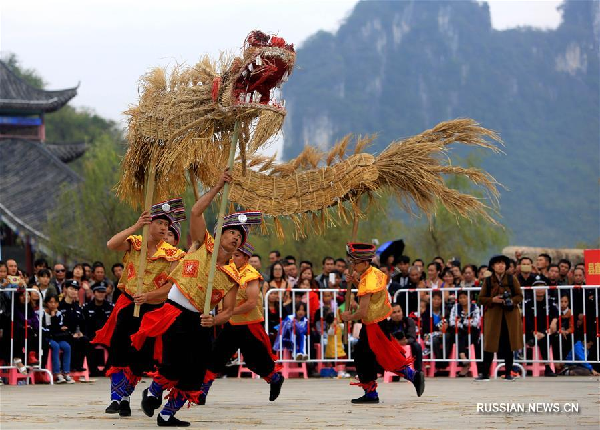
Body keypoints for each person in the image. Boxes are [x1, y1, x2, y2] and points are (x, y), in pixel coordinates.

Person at [130, 172, 258, 427]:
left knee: (196, 372)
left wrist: (215, 320)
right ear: (221, 232)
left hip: (200, 321)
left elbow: (228, 310)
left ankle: (168, 414)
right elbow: (197, 212)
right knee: (173, 364)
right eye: (232, 232)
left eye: (240, 237)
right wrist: (219, 185)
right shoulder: (203, 244)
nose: (235, 238)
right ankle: (153, 392)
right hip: (176, 311)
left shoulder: (234, 275)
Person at [92, 199, 186, 418]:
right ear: (148, 223)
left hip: (152, 310)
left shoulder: (174, 254)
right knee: (118, 348)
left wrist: (149, 296)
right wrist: (135, 226)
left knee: (140, 357)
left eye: (166, 224)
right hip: (129, 303)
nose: (164, 228)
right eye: (159, 222)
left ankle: (125, 396)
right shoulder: (135, 242)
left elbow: (171, 287)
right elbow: (111, 244)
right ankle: (116, 399)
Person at [200, 242, 284, 405]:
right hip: (231, 324)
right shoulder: (228, 270)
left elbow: (251, 303)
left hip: (249, 325)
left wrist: (229, 311)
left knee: (256, 362)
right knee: (216, 356)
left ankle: (275, 379)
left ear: (246, 258)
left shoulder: (251, 275)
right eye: (232, 255)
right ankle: (202, 391)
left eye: (237, 255)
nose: (233, 258)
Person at [341, 243, 424, 403]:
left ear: (365, 263)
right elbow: (371, 294)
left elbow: (363, 311)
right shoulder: (374, 272)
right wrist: (356, 282)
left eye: (355, 262)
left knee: (380, 356)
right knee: (369, 355)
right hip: (377, 323)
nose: (353, 265)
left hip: (374, 326)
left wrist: (348, 317)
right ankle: (374, 391)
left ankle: (410, 376)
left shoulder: (367, 279)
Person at [475, 255, 523, 381]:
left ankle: (508, 373)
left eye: (503, 263)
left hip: (510, 316)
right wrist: (493, 300)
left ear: (506, 266)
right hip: (493, 316)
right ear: (492, 266)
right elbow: (480, 298)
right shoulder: (488, 280)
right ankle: (485, 373)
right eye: (497, 263)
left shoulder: (512, 279)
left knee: (509, 344)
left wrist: (511, 301)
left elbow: (519, 296)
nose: (501, 266)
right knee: (489, 344)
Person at [82, 281, 114, 375]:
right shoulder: (87, 307)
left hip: (106, 336)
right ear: (94, 293)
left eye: (103, 292)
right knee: (87, 344)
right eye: (98, 292)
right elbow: (85, 324)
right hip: (92, 335)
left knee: (115, 344)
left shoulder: (110, 307)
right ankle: (93, 371)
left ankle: (107, 370)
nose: (101, 294)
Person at [43, 295, 74, 383]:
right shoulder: (41, 313)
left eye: (55, 302)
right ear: (46, 303)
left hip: (57, 337)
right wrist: (53, 319)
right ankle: (57, 373)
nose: (53, 304)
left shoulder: (59, 314)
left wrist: (54, 319)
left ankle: (66, 372)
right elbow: (48, 328)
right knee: (55, 347)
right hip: (47, 338)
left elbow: (58, 327)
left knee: (67, 347)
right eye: (50, 302)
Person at [59, 280, 89, 373]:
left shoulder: (77, 307)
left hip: (74, 333)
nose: (74, 291)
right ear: (65, 289)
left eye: (76, 290)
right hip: (62, 334)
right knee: (72, 340)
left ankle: (78, 365)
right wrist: (70, 333)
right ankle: (70, 366)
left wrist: (80, 332)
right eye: (71, 289)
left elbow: (81, 323)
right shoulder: (60, 305)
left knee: (84, 339)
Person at [449, 290, 481, 376]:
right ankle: (464, 359)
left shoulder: (475, 307)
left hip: (472, 332)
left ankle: (464, 360)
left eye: (464, 297)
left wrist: (463, 322)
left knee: (462, 335)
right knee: (459, 334)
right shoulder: (455, 307)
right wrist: (462, 323)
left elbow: (476, 322)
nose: (462, 300)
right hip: (460, 331)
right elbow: (452, 321)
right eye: (460, 298)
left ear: (469, 298)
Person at [386, 303, 423, 372]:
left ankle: (418, 371)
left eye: (399, 311)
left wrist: (405, 341)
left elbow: (412, 337)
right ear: (389, 314)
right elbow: (386, 339)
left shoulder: (409, 321)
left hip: (407, 342)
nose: (397, 314)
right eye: (394, 312)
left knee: (417, 346)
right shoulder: (387, 324)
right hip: (393, 345)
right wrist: (395, 342)